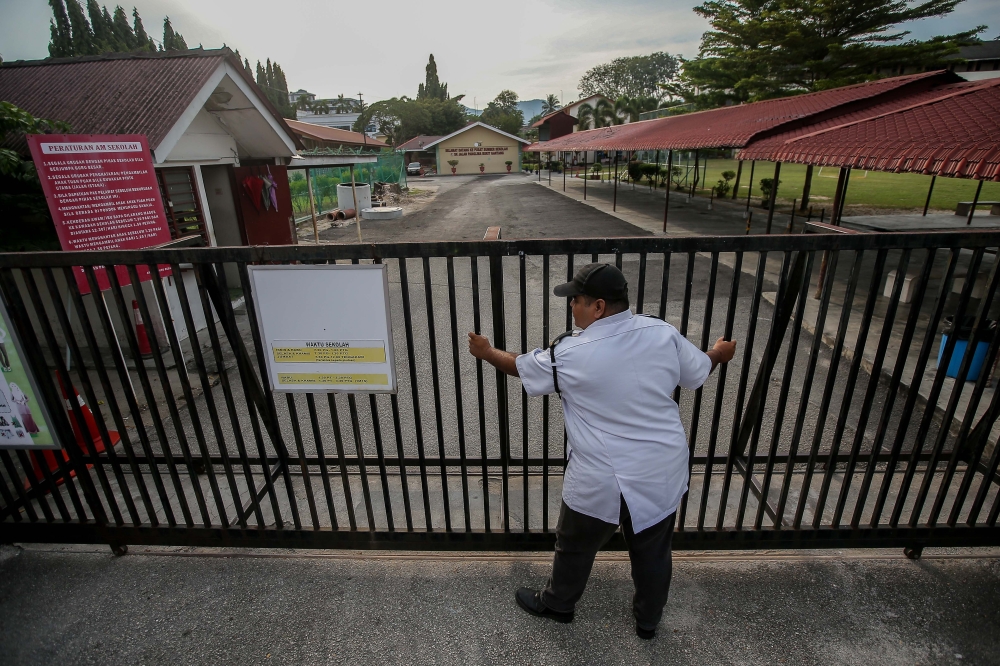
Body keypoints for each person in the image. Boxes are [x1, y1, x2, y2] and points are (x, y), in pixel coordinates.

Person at [467, 262, 736, 640]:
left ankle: (559, 605)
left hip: (602, 476)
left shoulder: (574, 352)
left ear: (597, 307)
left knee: (575, 543)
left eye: (575, 300)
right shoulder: (661, 332)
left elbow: (518, 367)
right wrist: (719, 353)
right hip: (662, 469)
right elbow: (697, 372)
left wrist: (486, 350)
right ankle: (648, 621)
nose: (571, 307)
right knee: (653, 550)